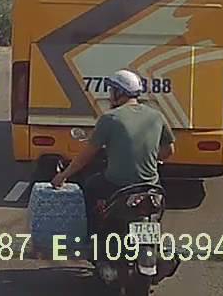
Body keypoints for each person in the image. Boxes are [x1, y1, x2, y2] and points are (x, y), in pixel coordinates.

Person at [51, 69, 176, 236]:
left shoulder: (110, 118)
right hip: (151, 185)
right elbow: (169, 150)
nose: (110, 95)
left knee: (90, 186)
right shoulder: (157, 116)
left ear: (119, 92)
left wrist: (63, 175)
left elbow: (85, 156)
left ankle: (92, 235)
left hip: (118, 184)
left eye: (111, 90)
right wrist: (149, 157)